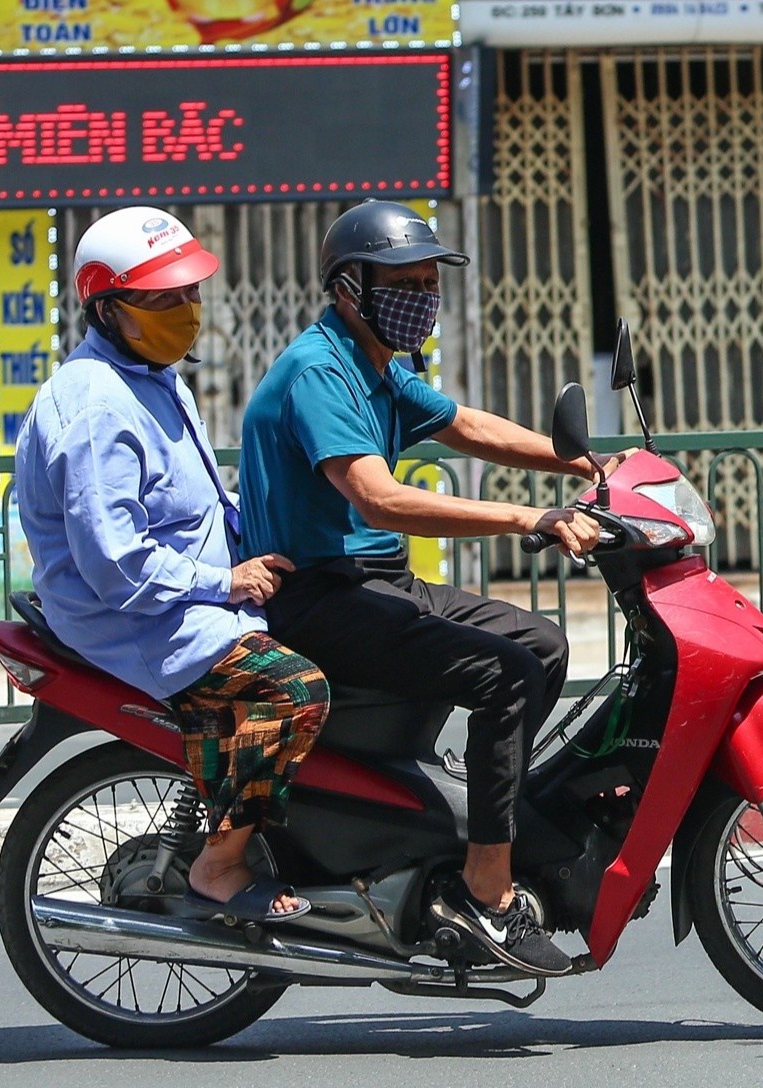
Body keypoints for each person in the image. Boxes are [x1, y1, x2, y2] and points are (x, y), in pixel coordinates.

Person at [237, 200, 622, 976]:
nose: (422, 296)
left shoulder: (379, 364)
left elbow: (464, 426)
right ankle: (486, 892)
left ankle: (487, 818)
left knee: (542, 643)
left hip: (377, 581)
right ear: (349, 288)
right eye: (404, 283)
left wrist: (582, 463)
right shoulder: (321, 371)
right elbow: (380, 499)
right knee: (503, 675)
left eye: (428, 282)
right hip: (320, 595)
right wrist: (531, 518)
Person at [14, 206, 331, 924]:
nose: (184, 311)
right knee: (294, 690)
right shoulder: (95, 406)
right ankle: (219, 868)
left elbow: (200, 502)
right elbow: (116, 565)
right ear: (107, 308)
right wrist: (224, 581)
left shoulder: (156, 377)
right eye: (161, 300)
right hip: (136, 617)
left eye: (189, 293)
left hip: (186, 597)